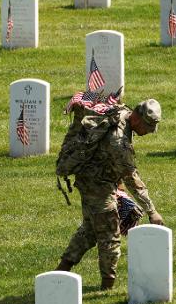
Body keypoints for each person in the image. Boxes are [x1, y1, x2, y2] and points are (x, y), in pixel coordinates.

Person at [56, 99, 165, 290]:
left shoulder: (123, 114)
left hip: (94, 181)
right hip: (97, 186)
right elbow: (132, 178)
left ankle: (61, 270)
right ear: (138, 118)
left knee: (90, 231)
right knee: (110, 236)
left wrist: (117, 184)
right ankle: (107, 285)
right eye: (148, 127)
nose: (148, 132)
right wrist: (152, 211)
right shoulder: (119, 141)